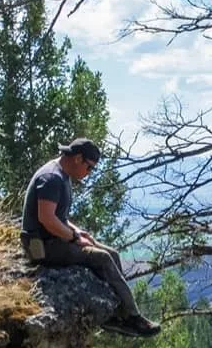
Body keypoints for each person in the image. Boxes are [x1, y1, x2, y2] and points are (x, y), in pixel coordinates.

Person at [21, 137, 160, 337]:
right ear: (78, 158)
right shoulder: (52, 178)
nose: (89, 173)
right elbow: (47, 219)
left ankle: (116, 313)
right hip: (40, 247)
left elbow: (59, 217)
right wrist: (73, 239)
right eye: (90, 167)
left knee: (111, 253)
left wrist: (77, 232)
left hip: (50, 240)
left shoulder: (61, 175)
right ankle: (132, 318)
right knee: (101, 258)